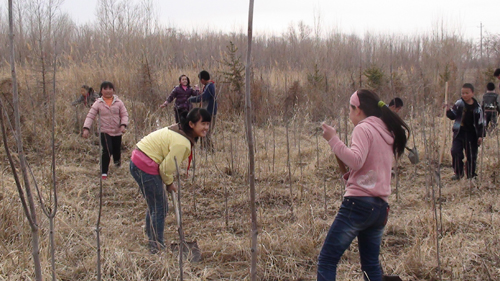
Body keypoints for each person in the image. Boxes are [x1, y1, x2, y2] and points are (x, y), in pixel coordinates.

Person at [318, 89, 409, 281]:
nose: (349, 114)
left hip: (358, 205)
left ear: (357, 109)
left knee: (327, 260)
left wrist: (333, 139)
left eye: (350, 110)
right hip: (380, 208)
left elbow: (357, 160)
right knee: (371, 266)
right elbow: (370, 168)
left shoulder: (363, 128)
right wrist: (351, 177)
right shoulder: (386, 131)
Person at [129, 108, 211, 253]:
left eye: (208, 124)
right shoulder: (182, 143)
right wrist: (169, 183)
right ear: (191, 124)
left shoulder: (179, 130)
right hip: (145, 165)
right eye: (203, 124)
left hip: (139, 159)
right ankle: (156, 247)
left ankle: (152, 237)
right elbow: (166, 169)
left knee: (155, 204)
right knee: (159, 207)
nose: (206, 128)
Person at [83, 81, 129, 180]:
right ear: (101, 91)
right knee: (107, 150)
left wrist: (123, 125)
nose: (108, 91)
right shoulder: (98, 103)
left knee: (117, 150)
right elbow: (90, 116)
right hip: (104, 131)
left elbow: (124, 114)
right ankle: (104, 172)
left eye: (110, 89)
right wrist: (86, 128)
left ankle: (117, 167)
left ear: (113, 90)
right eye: (105, 89)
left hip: (117, 131)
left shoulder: (119, 102)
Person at [446, 83, 485, 180]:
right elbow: (453, 116)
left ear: (472, 93)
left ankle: (471, 174)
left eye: (467, 93)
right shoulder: (459, 104)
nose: (464, 95)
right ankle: (458, 173)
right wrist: (447, 111)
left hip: (472, 134)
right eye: (463, 93)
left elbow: (481, 123)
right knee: (455, 151)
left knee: (471, 155)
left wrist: (480, 135)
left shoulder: (478, 107)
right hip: (459, 133)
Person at [188, 70, 217, 149]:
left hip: (210, 112)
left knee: (206, 132)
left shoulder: (210, 86)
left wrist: (191, 99)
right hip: (207, 112)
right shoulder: (209, 85)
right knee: (203, 131)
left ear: (202, 80)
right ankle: (204, 148)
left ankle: (210, 149)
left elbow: (203, 97)